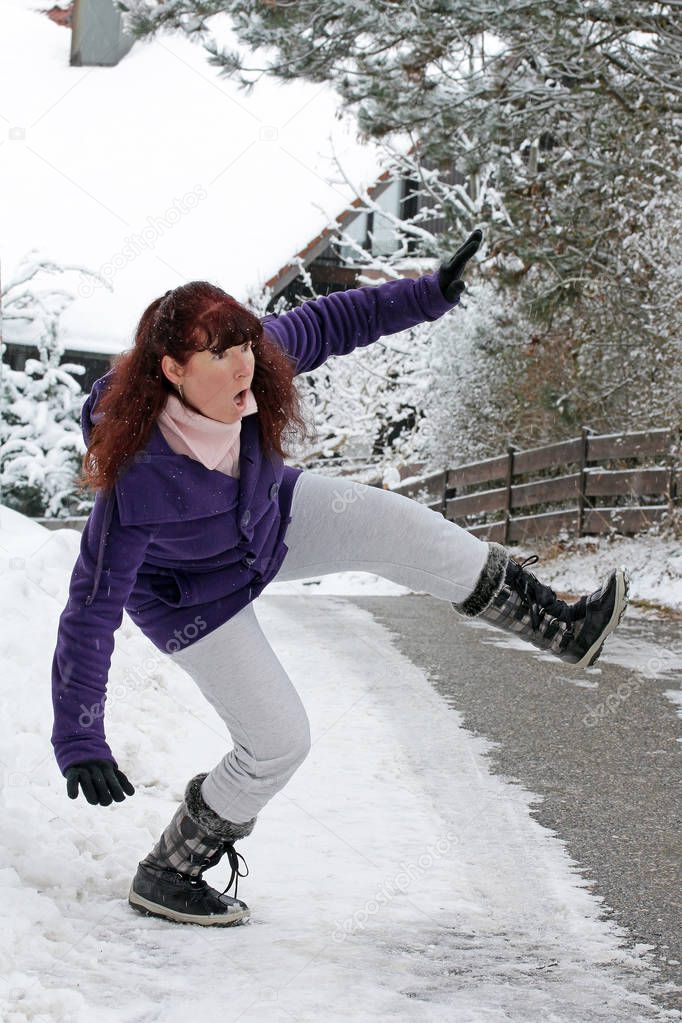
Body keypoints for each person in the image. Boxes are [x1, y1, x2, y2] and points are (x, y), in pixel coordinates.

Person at [50, 230, 629, 928]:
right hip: (193, 600)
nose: (243, 367)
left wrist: (431, 292)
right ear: (173, 369)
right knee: (280, 740)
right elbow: (90, 609)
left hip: (265, 519)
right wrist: (80, 737)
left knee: (399, 527)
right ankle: (171, 869)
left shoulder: (251, 366)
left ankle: (560, 626)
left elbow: (334, 320)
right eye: (220, 354)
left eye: (245, 348)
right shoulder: (136, 476)